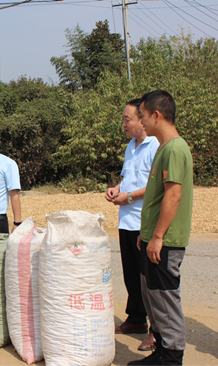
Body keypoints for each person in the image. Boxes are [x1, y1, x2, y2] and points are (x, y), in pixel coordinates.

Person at [128, 90, 193, 366]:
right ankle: (162, 351)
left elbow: (173, 195)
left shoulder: (175, 149)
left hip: (165, 241)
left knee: (165, 300)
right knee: (153, 295)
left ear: (156, 115)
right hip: (154, 239)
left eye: (142, 116)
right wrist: (147, 236)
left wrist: (157, 237)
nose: (140, 122)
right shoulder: (164, 148)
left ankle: (172, 357)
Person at [106, 99, 159, 352]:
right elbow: (128, 176)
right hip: (126, 219)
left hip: (144, 220)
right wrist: (117, 189)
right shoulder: (131, 146)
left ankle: (156, 330)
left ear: (143, 119)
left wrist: (129, 196)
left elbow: (156, 186)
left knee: (149, 278)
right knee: (130, 274)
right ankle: (136, 319)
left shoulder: (156, 145)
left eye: (127, 119)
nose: (124, 124)